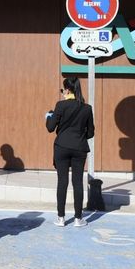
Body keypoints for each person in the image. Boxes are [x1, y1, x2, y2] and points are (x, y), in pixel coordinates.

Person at [46, 77, 94, 227]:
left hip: (62, 147)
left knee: (62, 182)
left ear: (67, 90)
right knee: (77, 182)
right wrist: (79, 136)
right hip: (79, 148)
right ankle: (78, 219)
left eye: (63, 89)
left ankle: (61, 218)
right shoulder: (87, 108)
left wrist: (48, 117)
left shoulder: (60, 106)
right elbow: (91, 133)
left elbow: (50, 128)